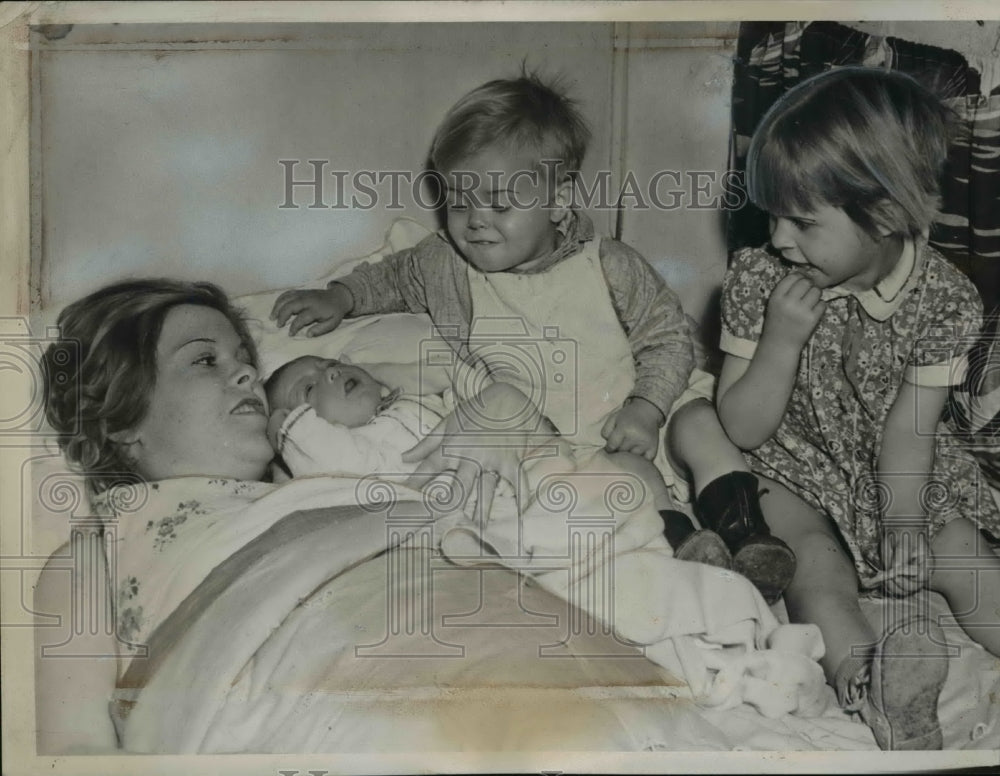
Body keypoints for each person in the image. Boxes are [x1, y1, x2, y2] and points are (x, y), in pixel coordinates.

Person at [269, 70, 795, 601]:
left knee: (701, 424)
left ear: (558, 200)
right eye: (460, 202)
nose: (475, 222)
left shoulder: (610, 264)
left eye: (499, 205)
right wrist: (340, 296)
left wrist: (648, 406)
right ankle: (685, 550)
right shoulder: (446, 266)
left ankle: (751, 536)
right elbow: (392, 275)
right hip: (586, 440)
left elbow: (670, 340)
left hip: (650, 404)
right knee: (630, 481)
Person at [34, 278, 554, 752]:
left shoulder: (323, 482)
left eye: (245, 361)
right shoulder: (99, 552)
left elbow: (513, 508)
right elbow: (74, 753)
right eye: (204, 360)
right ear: (121, 420)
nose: (244, 372)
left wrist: (505, 408)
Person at [717, 67, 1000, 750]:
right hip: (794, 462)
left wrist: (903, 519)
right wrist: (781, 343)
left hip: (894, 462)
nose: (779, 238)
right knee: (812, 558)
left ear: (885, 215)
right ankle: (873, 686)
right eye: (772, 215)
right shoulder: (761, 278)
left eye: (803, 221)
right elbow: (741, 426)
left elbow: (913, 426)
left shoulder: (944, 300)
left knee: (957, 546)